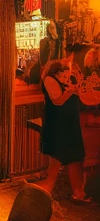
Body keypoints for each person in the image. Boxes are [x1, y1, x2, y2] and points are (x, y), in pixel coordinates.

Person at [40, 58, 88, 200]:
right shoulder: (50, 80)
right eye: (66, 68)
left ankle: (77, 193)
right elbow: (57, 100)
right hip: (58, 125)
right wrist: (72, 91)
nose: (68, 71)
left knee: (73, 157)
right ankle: (47, 190)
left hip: (69, 123)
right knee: (57, 158)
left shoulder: (69, 80)